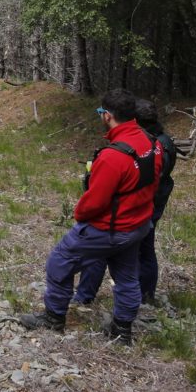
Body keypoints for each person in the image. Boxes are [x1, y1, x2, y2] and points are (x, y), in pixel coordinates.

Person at [19, 89, 162, 345]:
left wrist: (79, 214)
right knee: (127, 276)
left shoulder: (113, 157)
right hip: (137, 225)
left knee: (59, 261)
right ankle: (122, 329)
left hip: (110, 228)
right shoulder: (153, 144)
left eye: (100, 112)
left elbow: (94, 203)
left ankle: (53, 318)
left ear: (107, 116)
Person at [73, 99, 178, 307]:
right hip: (144, 207)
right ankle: (137, 298)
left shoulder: (155, 145)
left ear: (136, 120)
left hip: (139, 208)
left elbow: (147, 180)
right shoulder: (156, 142)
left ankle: (134, 297)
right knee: (139, 252)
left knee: (115, 251)